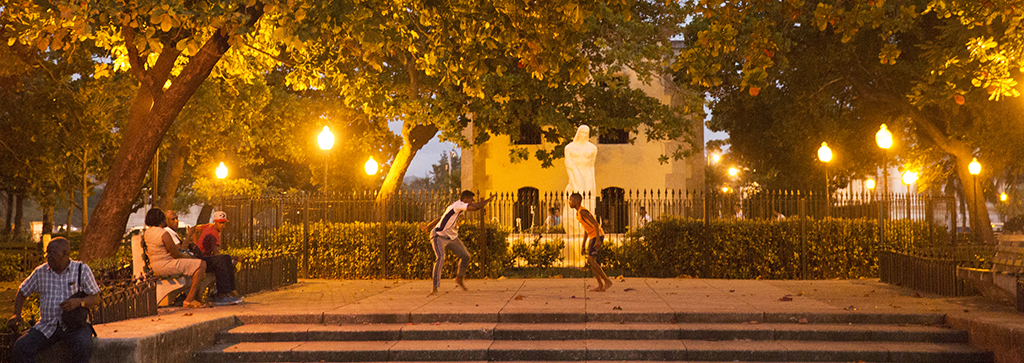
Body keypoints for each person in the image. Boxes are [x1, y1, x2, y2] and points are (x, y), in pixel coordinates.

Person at [8, 237, 100, 363]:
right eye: (47, 253)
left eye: (53, 253)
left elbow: (96, 298)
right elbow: (22, 291)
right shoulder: (40, 272)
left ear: (65, 253)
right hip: (47, 325)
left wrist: (78, 302)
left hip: (74, 326)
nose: (48, 256)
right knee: (22, 346)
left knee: (83, 345)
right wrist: (16, 314)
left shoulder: (81, 270)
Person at [420, 190, 495, 295]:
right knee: (440, 258)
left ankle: (459, 278)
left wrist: (427, 226)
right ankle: (435, 288)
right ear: (465, 199)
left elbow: (440, 219)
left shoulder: (455, 207)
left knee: (466, 256)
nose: (472, 202)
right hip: (438, 236)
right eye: (470, 200)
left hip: (451, 237)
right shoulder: (458, 205)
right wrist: (488, 200)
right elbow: (474, 208)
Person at [165, 210, 241, 305]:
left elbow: (194, 230)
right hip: (191, 262)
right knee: (221, 260)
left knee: (226, 258)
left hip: (194, 258)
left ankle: (228, 292)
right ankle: (221, 295)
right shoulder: (168, 233)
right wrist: (189, 236)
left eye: (177, 218)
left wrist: (195, 244)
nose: (176, 221)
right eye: (173, 219)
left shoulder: (207, 226)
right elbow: (181, 250)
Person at [143, 208, 208, 308]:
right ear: (161, 219)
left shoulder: (147, 233)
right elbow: (176, 254)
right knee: (200, 264)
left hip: (154, 266)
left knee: (194, 264)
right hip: (166, 265)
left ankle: (197, 299)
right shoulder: (163, 234)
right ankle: (189, 300)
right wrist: (189, 257)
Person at [569, 192, 613, 292]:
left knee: (591, 260)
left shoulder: (583, 211)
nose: (569, 202)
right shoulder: (578, 213)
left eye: (571, 200)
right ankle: (600, 285)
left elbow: (595, 224)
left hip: (597, 235)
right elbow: (586, 228)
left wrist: (597, 240)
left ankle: (607, 281)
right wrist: (583, 244)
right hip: (592, 236)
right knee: (591, 261)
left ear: (577, 201)